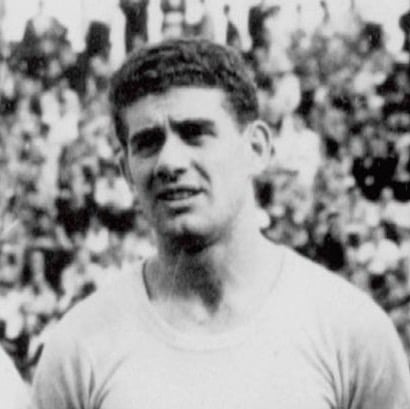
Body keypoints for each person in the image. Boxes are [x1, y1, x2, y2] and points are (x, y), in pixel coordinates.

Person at [32, 38, 410, 409]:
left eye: (195, 133)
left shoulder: (350, 331)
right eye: (148, 143)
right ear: (126, 171)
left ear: (256, 148)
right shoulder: (79, 348)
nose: (169, 162)